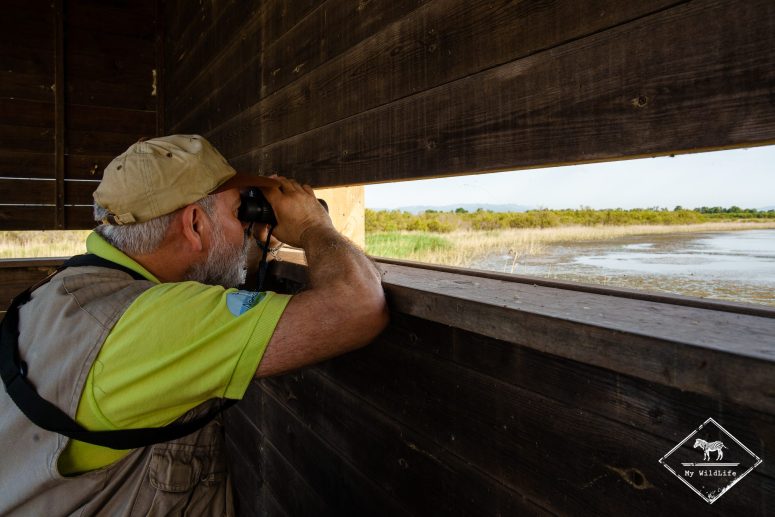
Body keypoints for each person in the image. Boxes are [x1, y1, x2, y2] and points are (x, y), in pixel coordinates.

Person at [0, 134, 388, 516]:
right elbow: (359, 305)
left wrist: (247, 245)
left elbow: (206, 276)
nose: (247, 225)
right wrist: (312, 228)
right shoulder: (154, 323)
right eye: (240, 213)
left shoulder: (69, 289)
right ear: (194, 225)